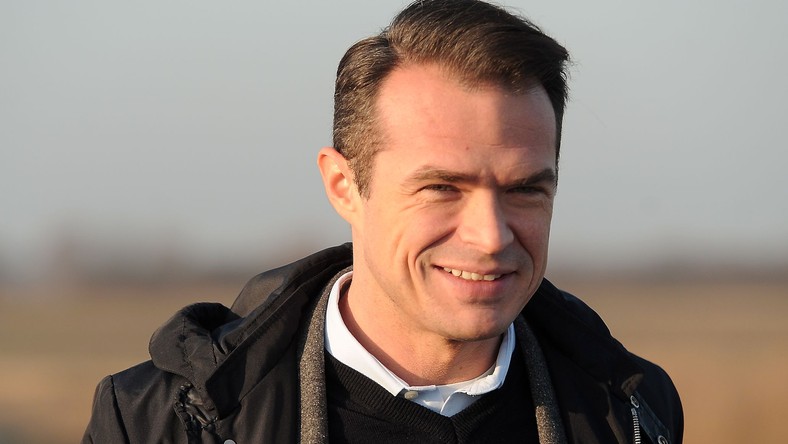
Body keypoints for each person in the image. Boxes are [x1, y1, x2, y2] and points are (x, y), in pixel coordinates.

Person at [83, 1, 683, 443]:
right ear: (343, 186)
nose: (491, 235)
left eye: (525, 190)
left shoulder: (633, 412)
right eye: (442, 188)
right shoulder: (159, 424)